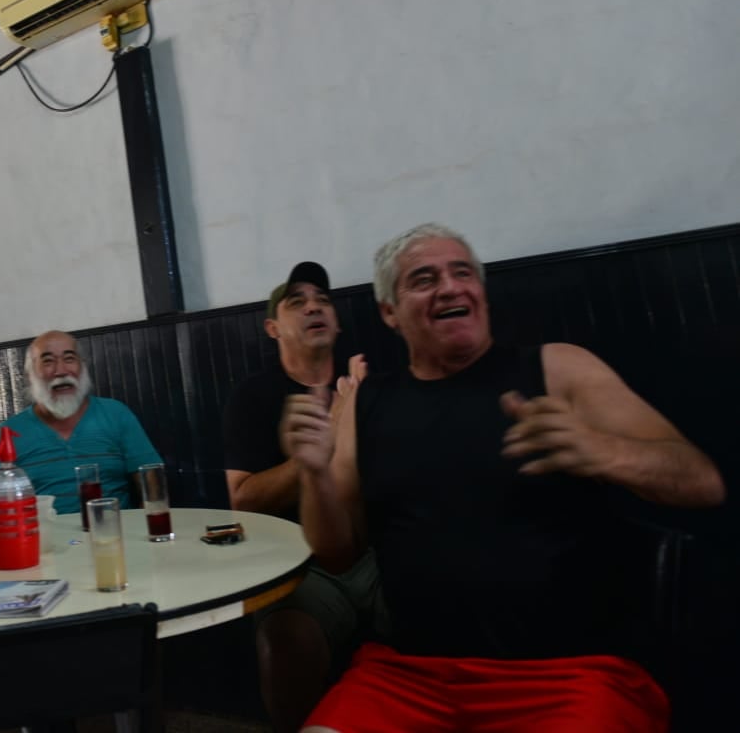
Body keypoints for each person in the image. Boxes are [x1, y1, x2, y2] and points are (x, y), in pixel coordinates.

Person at [287, 222, 727, 733]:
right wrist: (314, 475)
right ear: (390, 311)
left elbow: (701, 481)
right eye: (425, 279)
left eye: (463, 273)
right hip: (408, 676)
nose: (451, 287)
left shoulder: (558, 369)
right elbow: (338, 553)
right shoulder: (368, 403)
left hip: (569, 677)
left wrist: (603, 451)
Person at [221, 262, 382, 733]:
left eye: (323, 301)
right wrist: (319, 445)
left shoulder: (369, 383)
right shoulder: (253, 397)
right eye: (297, 301)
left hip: (380, 552)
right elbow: (243, 500)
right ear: (273, 327)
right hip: (298, 563)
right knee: (283, 638)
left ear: (335, 322)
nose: (314, 305)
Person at [0, 330, 162, 519]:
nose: (61, 371)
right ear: (29, 375)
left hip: (113, 535)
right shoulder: (9, 433)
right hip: (44, 543)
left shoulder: (116, 414)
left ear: (82, 366)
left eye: (69, 358)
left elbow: (152, 485)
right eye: (48, 361)